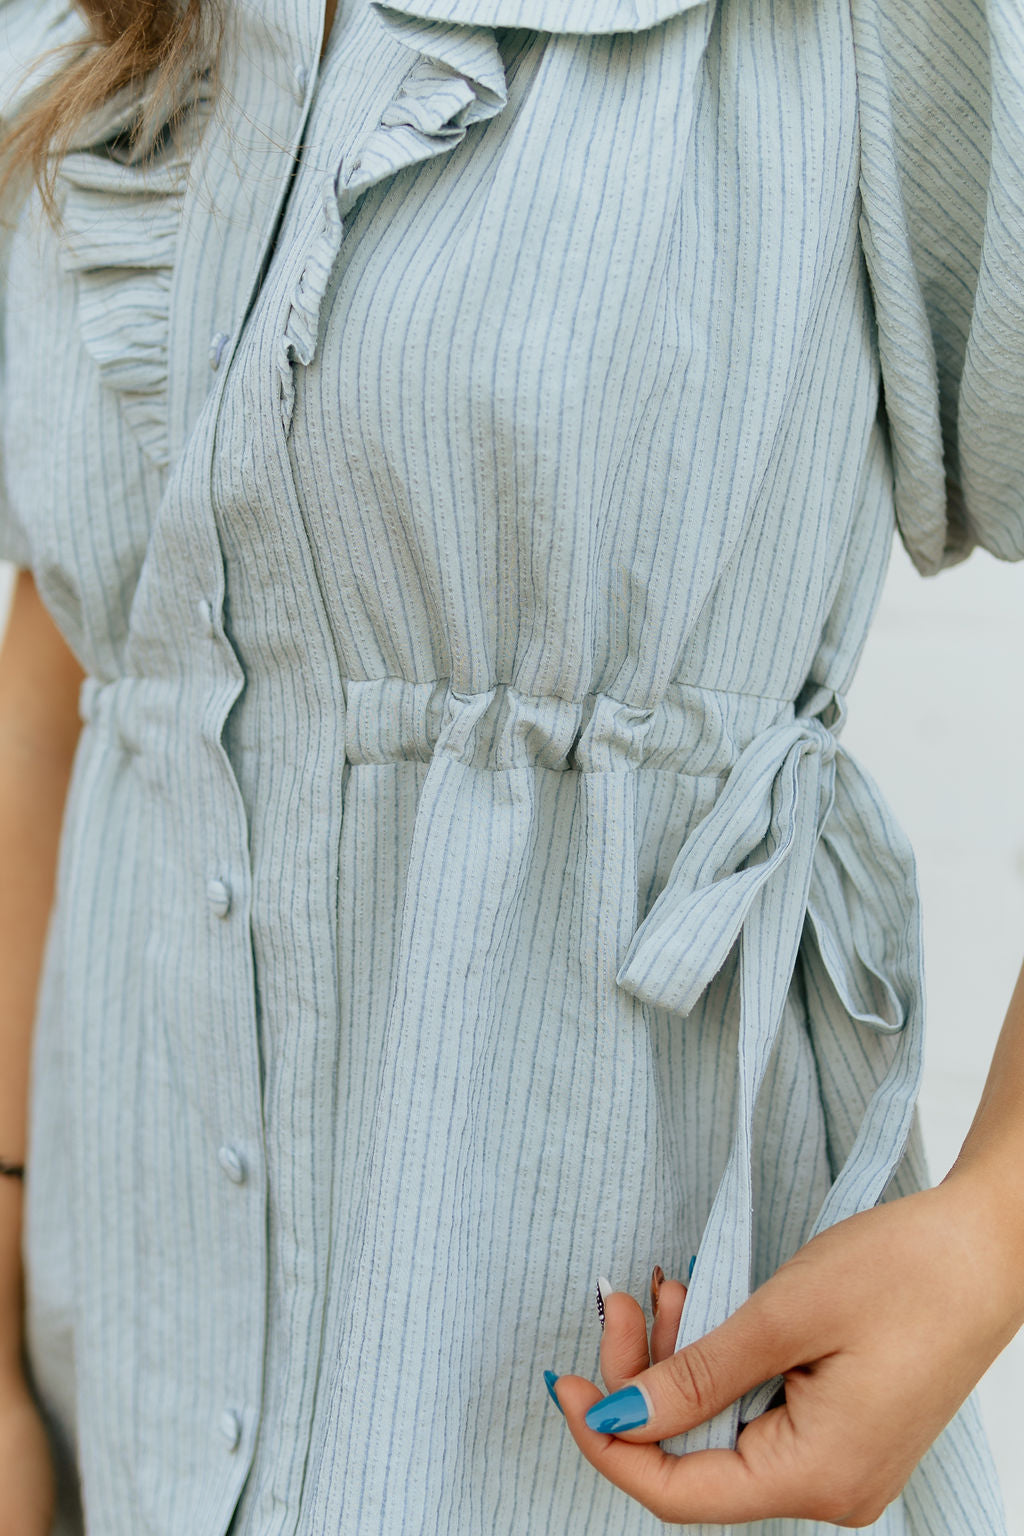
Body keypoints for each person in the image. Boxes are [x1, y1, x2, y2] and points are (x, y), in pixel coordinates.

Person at [0, 0, 1021, 1530]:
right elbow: (97, 640)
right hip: (125, 1383)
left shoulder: (852, 32)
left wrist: (994, 1238)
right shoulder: (81, 26)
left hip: (630, 1424)